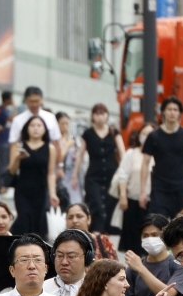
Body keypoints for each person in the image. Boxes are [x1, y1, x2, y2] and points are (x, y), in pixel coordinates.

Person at [141, 97, 183, 219]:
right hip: (159, 188)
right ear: (163, 111)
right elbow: (145, 163)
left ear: (179, 113)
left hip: (181, 188)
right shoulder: (153, 136)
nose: (172, 112)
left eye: (175, 109)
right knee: (157, 223)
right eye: (169, 109)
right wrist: (142, 191)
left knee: (181, 225)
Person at [72, 104, 124, 233]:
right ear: (93, 116)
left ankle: (105, 240)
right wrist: (74, 176)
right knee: (97, 206)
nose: (100, 117)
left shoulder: (114, 132)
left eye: (103, 113)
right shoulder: (88, 133)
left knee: (109, 207)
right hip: (93, 175)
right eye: (97, 114)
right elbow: (80, 155)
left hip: (112, 175)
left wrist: (124, 176)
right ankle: (96, 234)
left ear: (107, 115)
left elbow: (123, 154)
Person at [8, 115, 58, 237]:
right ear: (26, 128)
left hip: (41, 191)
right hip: (23, 190)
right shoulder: (19, 146)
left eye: (39, 125)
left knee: (38, 223)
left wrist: (52, 193)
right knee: (24, 218)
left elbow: (51, 173)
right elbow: (12, 170)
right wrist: (17, 158)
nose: (36, 128)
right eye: (32, 125)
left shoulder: (50, 148)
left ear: (45, 129)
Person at [115, 124, 155, 252]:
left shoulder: (158, 156)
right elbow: (123, 175)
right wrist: (122, 196)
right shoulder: (131, 154)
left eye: (150, 134)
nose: (146, 137)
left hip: (152, 202)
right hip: (132, 201)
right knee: (132, 242)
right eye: (144, 133)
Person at [56, 112, 82, 206]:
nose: (65, 126)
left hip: (71, 175)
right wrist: (67, 146)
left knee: (75, 202)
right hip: (59, 174)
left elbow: (78, 157)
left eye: (67, 123)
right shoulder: (55, 140)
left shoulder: (73, 139)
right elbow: (57, 157)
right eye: (62, 123)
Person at [0, 91, 14, 191]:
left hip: (6, 140)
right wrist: (14, 107)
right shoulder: (0, 111)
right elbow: (11, 119)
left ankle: (3, 185)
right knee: (3, 163)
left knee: (4, 163)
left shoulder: (4, 110)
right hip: (2, 141)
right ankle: (2, 185)